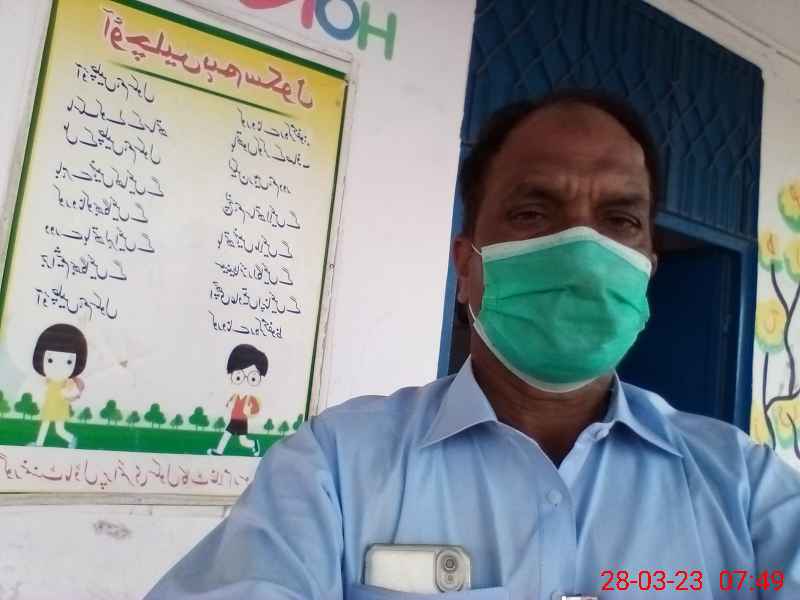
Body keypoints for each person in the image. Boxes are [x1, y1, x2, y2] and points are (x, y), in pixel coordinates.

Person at [147, 89, 800, 599]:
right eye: (533, 212)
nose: (582, 251)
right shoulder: (335, 470)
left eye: (620, 219)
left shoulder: (747, 492)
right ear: (466, 267)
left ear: (648, 272)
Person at [28, 323, 87, 449]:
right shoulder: (50, 379)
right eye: (50, 360)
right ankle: (38, 444)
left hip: (59, 406)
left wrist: (72, 391)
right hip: (49, 404)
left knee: (59, 430)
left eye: (69, 361)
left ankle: (71, 438)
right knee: (44, 425)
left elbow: (69, 393)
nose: (58, 366)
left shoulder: (66, 382)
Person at [208, 344, 267, 457]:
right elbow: (228, 405)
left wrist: (248, 411)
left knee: (242, 441)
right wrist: (229, 405)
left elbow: (254, 409)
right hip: (234, 418)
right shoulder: (235, 395)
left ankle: (254, 444)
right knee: (228, 435)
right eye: (238, 377)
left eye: (252, 378)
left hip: (242, 420)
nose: (244, 381)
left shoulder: (249, 398)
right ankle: (219, 451)